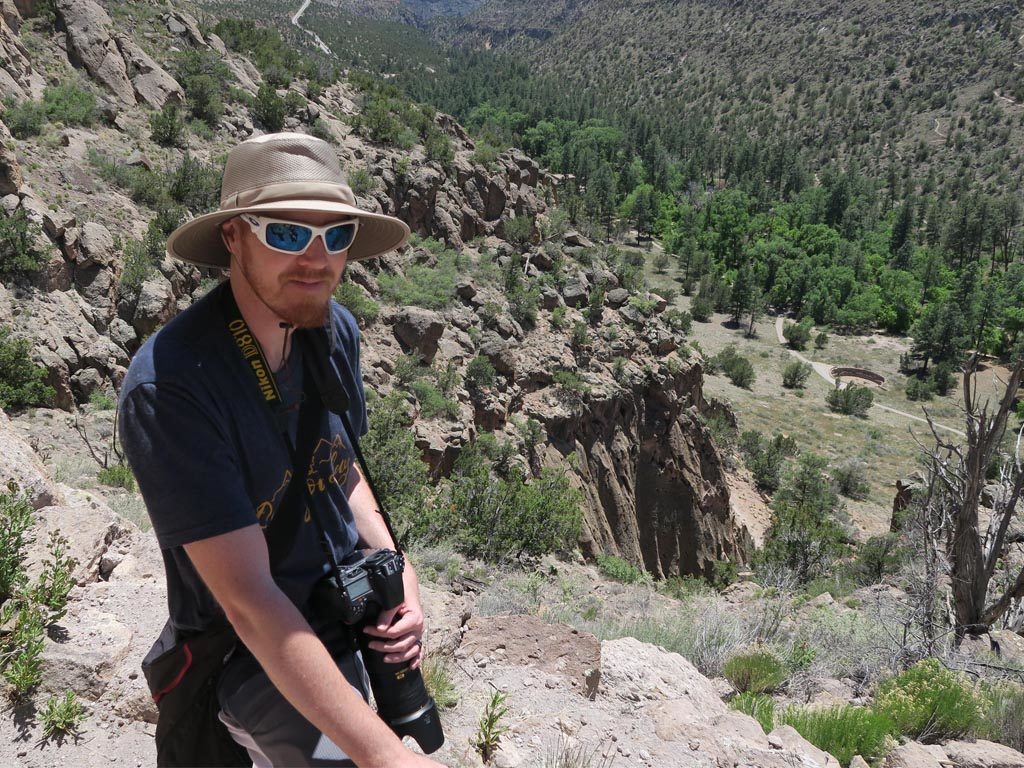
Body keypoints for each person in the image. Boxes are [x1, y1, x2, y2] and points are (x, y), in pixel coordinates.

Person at [118, 132, 445, 768]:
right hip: (250, 652)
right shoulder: (173, 386)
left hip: (343, 608)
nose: (316, 259)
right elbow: (250, 603)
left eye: (336, 234)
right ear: (233, 237)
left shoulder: (333, 330)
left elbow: (340, 466)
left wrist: (396, 570)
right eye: (287, 233)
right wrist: (384, 757)